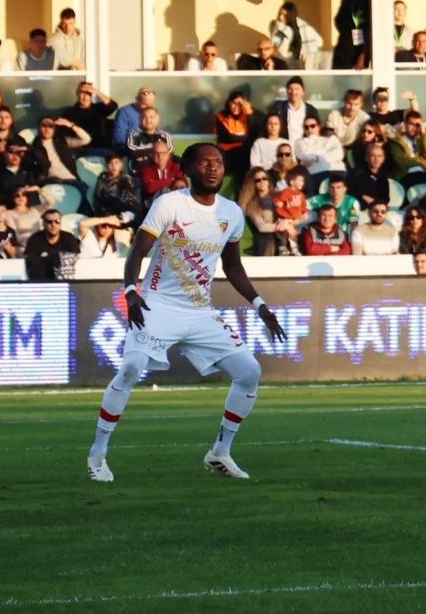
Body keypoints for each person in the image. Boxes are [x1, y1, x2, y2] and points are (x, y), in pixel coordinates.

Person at [87, 144, 285, 484]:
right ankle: (97, 454)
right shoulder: (170, 204)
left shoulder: (232, 213)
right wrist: (131, 291)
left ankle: (219, 453)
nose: (213, 168)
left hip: (200, 311)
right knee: (132, 367)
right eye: (205, 162)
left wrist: (260, 306)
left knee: (249, 371)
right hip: (156, 304)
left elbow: (233, 267)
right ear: (188, 170)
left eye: (219, 163)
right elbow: (138, 250)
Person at [23, 209, 80, 281]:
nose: (53, 224)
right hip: (42, 281)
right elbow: (30, 259)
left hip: (64, 281)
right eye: (49, 222)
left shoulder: (69, 237)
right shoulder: (35, 239)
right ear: (43, 224)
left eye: (57, 221)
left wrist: (51, 257)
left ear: (60, 223)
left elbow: (75, 256)